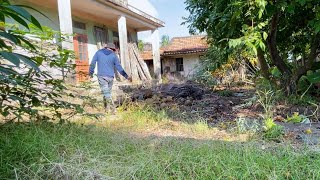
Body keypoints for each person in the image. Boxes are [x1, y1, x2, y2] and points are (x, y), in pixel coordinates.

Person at [89, 43, 132, 114]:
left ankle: (112, 109)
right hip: (110, 77)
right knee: (107, 93)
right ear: (112, 49)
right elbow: (119, 68)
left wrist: (90, 73)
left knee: (106, 93)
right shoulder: (114, 55)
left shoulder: (98, 52)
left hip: (102, 76)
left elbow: (93, 63)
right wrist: (127, 76)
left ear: (106, 47)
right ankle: (107, 110)